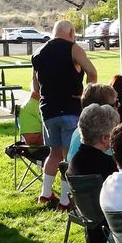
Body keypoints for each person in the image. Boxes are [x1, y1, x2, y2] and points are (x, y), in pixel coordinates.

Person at [31, 19, 98, 209]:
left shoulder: (38, 53)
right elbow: (92, 72)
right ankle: (65, 199)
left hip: (48, 109)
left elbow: (35, 86)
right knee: (70, 156)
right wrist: (86, 93)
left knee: (53, 153)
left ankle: (45, 194)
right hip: (70, 107)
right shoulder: (73, 48)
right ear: (71, 33)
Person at [70, 103, 120, 243]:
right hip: (110, 235)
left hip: (93, 229)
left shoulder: (76, 160)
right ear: (105, 138)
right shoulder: (107, 167)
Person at [66, 83, 119, 165]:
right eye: (115, 103)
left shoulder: (80, 130)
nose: (118, 105)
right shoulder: (101, 136)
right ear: (102, 109)